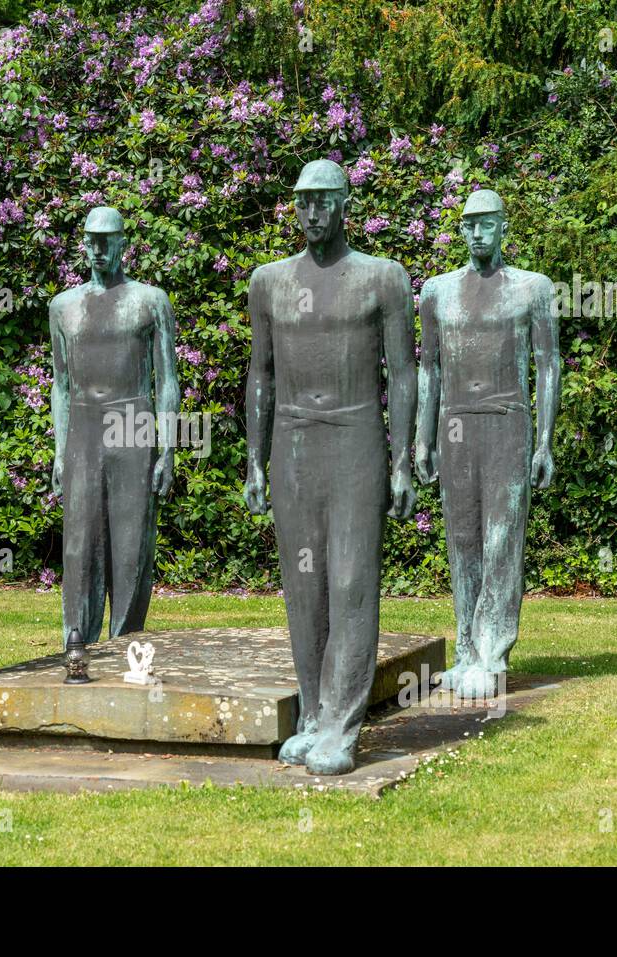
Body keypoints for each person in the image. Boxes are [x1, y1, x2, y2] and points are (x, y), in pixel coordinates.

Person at [243, 160, 417, 776]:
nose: (311, 212)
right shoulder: (268, 282)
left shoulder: (382, 279)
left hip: (355, 439)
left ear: (346, 204)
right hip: (292, 442)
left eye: (323, 201)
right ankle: (314, 714)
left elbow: (403, 374)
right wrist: (254, 462)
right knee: (304, 588)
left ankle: (342, 727)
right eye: (301, 202)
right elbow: (259, 375)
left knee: (350, 582)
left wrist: (405, 462)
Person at [415, 189, 560, 699]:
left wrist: (544, 442)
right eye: (469, 224)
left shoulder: (532, 289)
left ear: (503, 226)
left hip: (507, 424)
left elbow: (548, 365)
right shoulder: (437, 292)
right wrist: (421, 440)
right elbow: (428, 368)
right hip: (455, 428)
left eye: (487, 223)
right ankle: (467, 650)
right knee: (462, 541)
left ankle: (493, 654)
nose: (478, 232)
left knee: (501, 541)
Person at [49, 207, 178, 647]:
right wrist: (59, 449)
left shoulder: (150, 301)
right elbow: (61, 386)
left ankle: (126, 642)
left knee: (131, 543)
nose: (98, 249)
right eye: (90, 240)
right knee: (79, 543)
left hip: (134, 422)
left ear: (124, 242)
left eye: (107, 240)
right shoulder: (63, 306)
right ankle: (76, 643)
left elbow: (167, 380)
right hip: (83, 429)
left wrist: (168, 449)